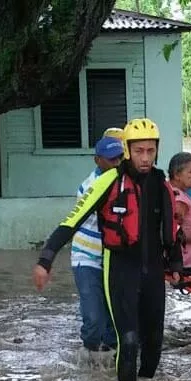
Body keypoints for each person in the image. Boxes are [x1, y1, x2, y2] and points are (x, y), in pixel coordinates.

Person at [32, 118, 182, 381]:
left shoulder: (161, 184)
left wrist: (175, 264)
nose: (145, 157)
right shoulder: (108, 182)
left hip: (153, 273)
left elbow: (170, 229)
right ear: (127, 150)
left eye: (150, 151)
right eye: (139, 151)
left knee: (154, 343)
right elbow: (71, 222)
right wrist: (45, 260)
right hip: (120, 270)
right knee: (128, 340)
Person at [69, 133, 124, 355]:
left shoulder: (124, 183)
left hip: (113, 259)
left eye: (120, 158)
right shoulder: (88, 188)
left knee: (114, 319)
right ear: (97, 160)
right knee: (93, 320)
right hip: (86, 257)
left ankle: (109, 368)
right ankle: (89, 360)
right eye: (112, 159)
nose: (116, 164)